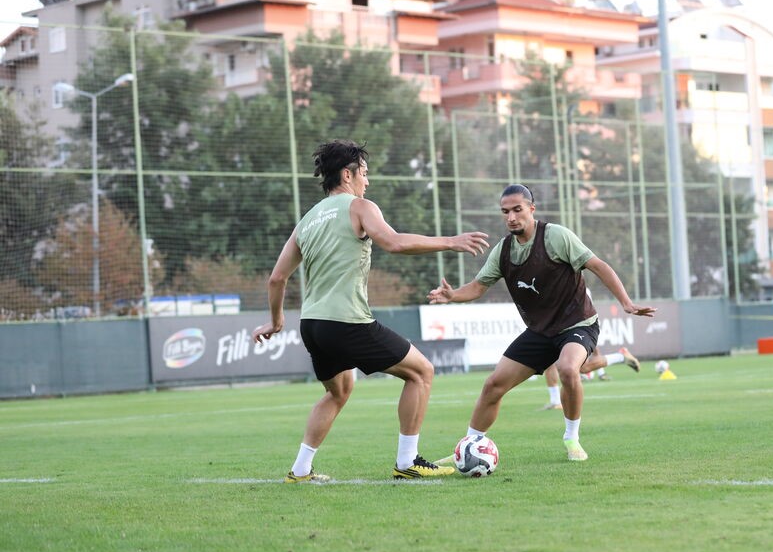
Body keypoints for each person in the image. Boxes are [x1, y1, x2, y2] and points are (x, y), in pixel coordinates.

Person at [251, 139, 490, 481]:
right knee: (421, 372)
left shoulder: (307, 221)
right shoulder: (360, 207)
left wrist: (275, 322)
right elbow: (393, 242)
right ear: (347, 175)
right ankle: (407, 462)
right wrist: (450, 242)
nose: (367, 180)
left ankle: (300, 469)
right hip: (346, 321)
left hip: (312, 325)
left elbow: (277, 279)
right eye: (364, 173)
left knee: (338, 392)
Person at [428, 183, 655, 461]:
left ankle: (572, 439)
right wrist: (452, 295)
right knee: (493, 385)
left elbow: (599, 265)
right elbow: (477, 287)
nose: (511, 217)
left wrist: (626, 303)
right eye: (505, 212)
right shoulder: (503, 250)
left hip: (577, 324)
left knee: (568, 369)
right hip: (540, 332)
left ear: (531, 209)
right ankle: (467, 448)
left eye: (517, 210)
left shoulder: (556, 236)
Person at [540, 346, 641, 409]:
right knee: (549, 360)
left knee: (582, 367)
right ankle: (555, 401)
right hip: (553, 326)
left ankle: (620, 356)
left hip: (573, 326)